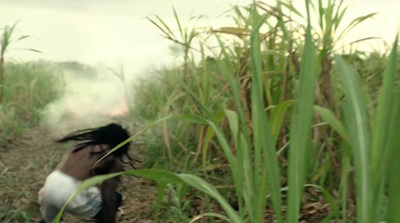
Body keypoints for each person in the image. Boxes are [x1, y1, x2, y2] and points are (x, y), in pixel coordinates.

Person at [38, 123, 135, 223]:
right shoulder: (111, 157)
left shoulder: (81, 144)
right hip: (70, 191)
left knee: (48, 221)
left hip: (50, 184)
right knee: (114, 200)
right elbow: (109, 196)